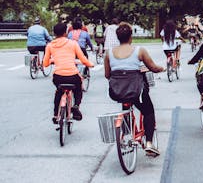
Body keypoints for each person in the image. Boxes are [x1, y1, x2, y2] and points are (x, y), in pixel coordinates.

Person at [104, 22, 165, 156]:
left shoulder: (109, 53)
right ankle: (149, 143)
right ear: (131, 37)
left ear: (118, 37)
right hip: (136, 90)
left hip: (116, 92)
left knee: (126, 103)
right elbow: (153, 67)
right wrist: (161, 69)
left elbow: (107, 75)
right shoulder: (139, 50)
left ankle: (126, 133)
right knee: (148, 111)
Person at [43, 22, 94, 123]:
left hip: (58, 77)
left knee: (59, 91)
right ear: (65, 33)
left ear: (54, 33)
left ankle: (55, 114)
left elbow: (45, 63)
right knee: (78, 87)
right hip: (72, 76)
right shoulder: (73, 43)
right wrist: (90, 64)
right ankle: (76, 106)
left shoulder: (50, 45)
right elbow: (83, 59)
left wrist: (53, 60)